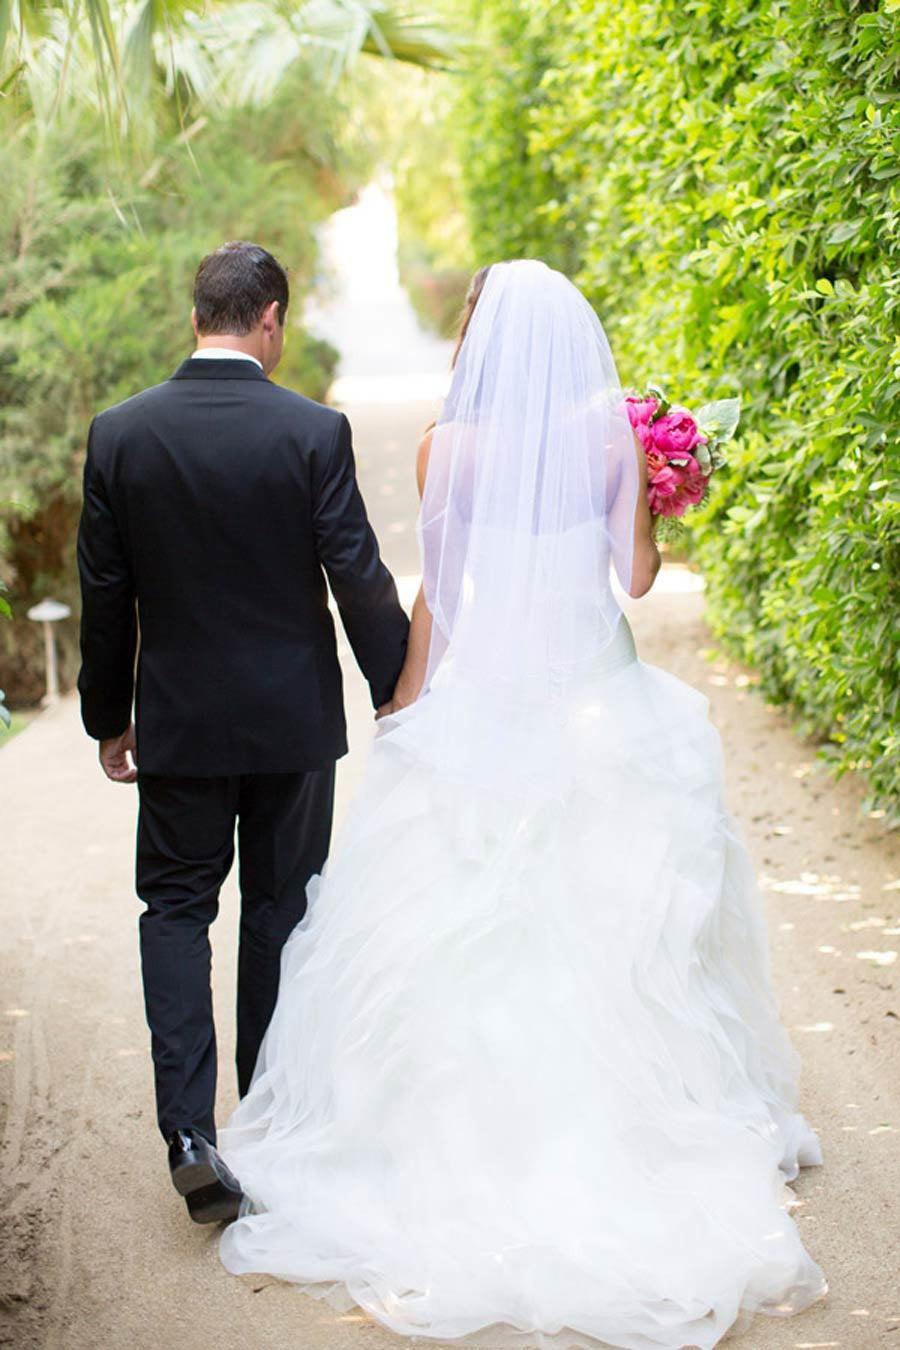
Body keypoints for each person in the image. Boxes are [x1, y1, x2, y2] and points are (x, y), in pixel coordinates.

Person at [219, 259, 827, 1349]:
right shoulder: (613, 441)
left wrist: (404, 706)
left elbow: (440, 598)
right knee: (619, 921)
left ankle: (457, 1141)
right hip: (597, 699)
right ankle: (637, 1130)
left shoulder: (445, 446)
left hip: (490, 702)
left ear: (481, 338)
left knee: (459, 922)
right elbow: (634, 579)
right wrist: (661, 492)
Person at [76, 241, 409, 1224]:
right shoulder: (312, 432)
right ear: (269, 319)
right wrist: (396, 685)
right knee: (276, 910)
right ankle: (262, 1125)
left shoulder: (121, 435)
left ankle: (189, 1133)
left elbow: (104, 594)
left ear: (197, 318)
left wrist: (108, 717)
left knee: (175, 912)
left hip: (178, 726)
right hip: (291, 728)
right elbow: (357, 574)